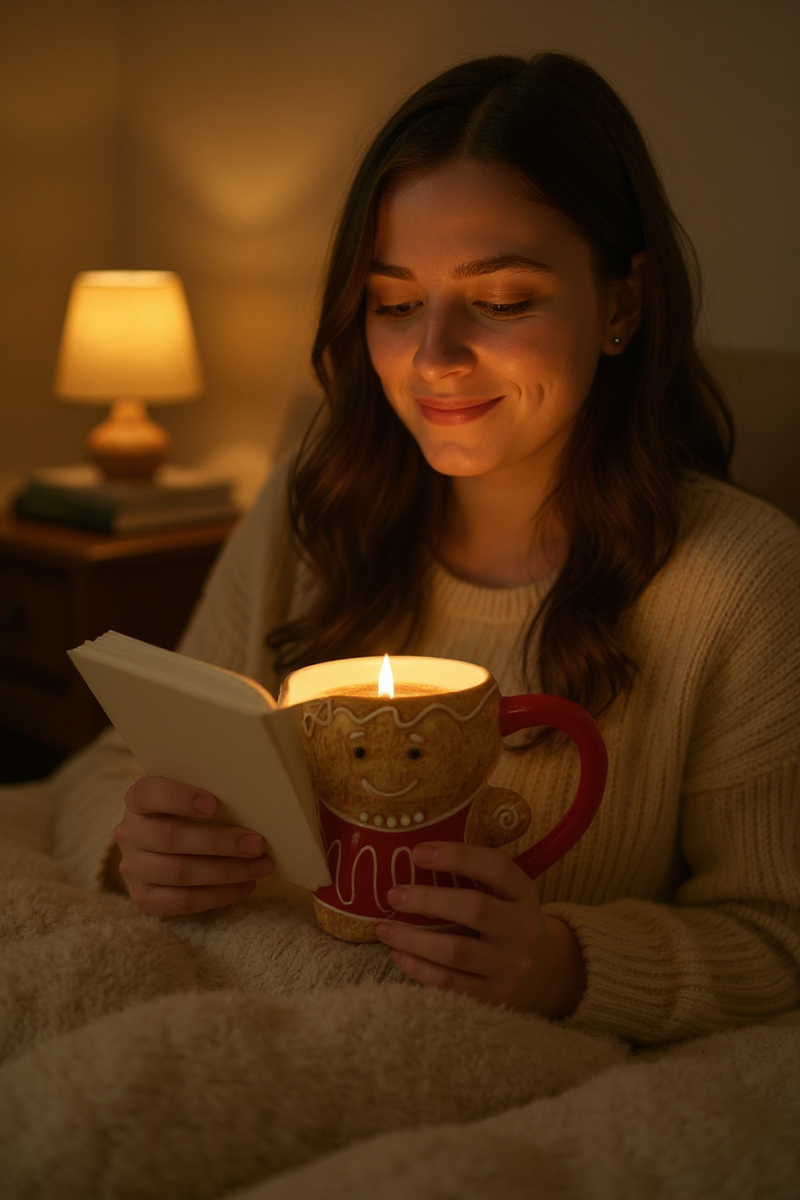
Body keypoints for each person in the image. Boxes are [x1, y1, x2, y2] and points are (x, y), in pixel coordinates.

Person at [86, 53, 798, 1042]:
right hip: (246, 1011)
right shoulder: (317, 503)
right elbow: (118, 766)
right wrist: (133, 849)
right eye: (392, 303)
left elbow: (774, 935)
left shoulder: (741, 584)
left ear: (622, 304)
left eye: (501, 301)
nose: (432, 359)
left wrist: (561, 963)